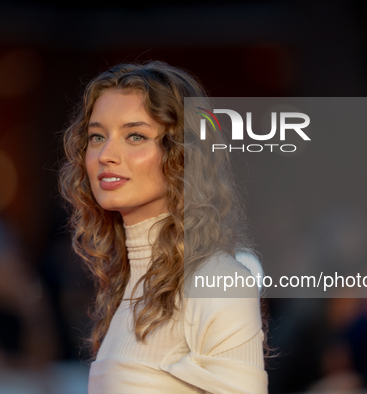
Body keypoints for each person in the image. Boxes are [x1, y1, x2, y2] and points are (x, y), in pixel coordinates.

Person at [59, 61, 268, 393]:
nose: (106, 154)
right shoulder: (125, 284)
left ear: (182, 154)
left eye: (135, 136)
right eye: (97, 136)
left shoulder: (217, 281)